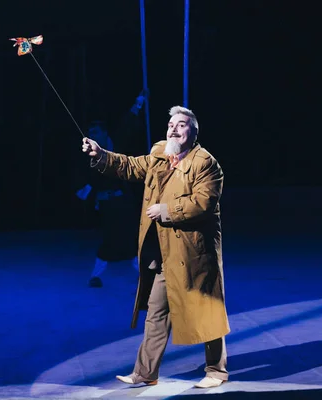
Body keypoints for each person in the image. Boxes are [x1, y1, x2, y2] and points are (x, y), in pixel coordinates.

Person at [81, 106, 230, 388]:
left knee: (206, 310)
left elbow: (203, 202)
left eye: (182, 125)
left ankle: (216, 371)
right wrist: (101, 155)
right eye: (171, 124)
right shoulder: (160, 153)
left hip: (194, 253)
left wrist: (167, 210)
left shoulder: (205, 163)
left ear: (194, 132)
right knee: (156, 312)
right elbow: (129, 165)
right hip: (163, 252)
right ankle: (145, 373)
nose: (173, 128)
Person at [76, 119, 140, 288]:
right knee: (110, 239)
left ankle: (144, 277)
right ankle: (95, 276)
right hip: (107, 204)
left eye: (95, 132)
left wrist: (140, 100)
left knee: (130, 238)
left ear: (104, 133)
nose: (92, 136)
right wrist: (88, 192)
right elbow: (87, 178)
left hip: (124, 201)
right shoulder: (90, 154)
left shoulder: (115, 145)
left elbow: (128, 125)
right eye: (90, 134)